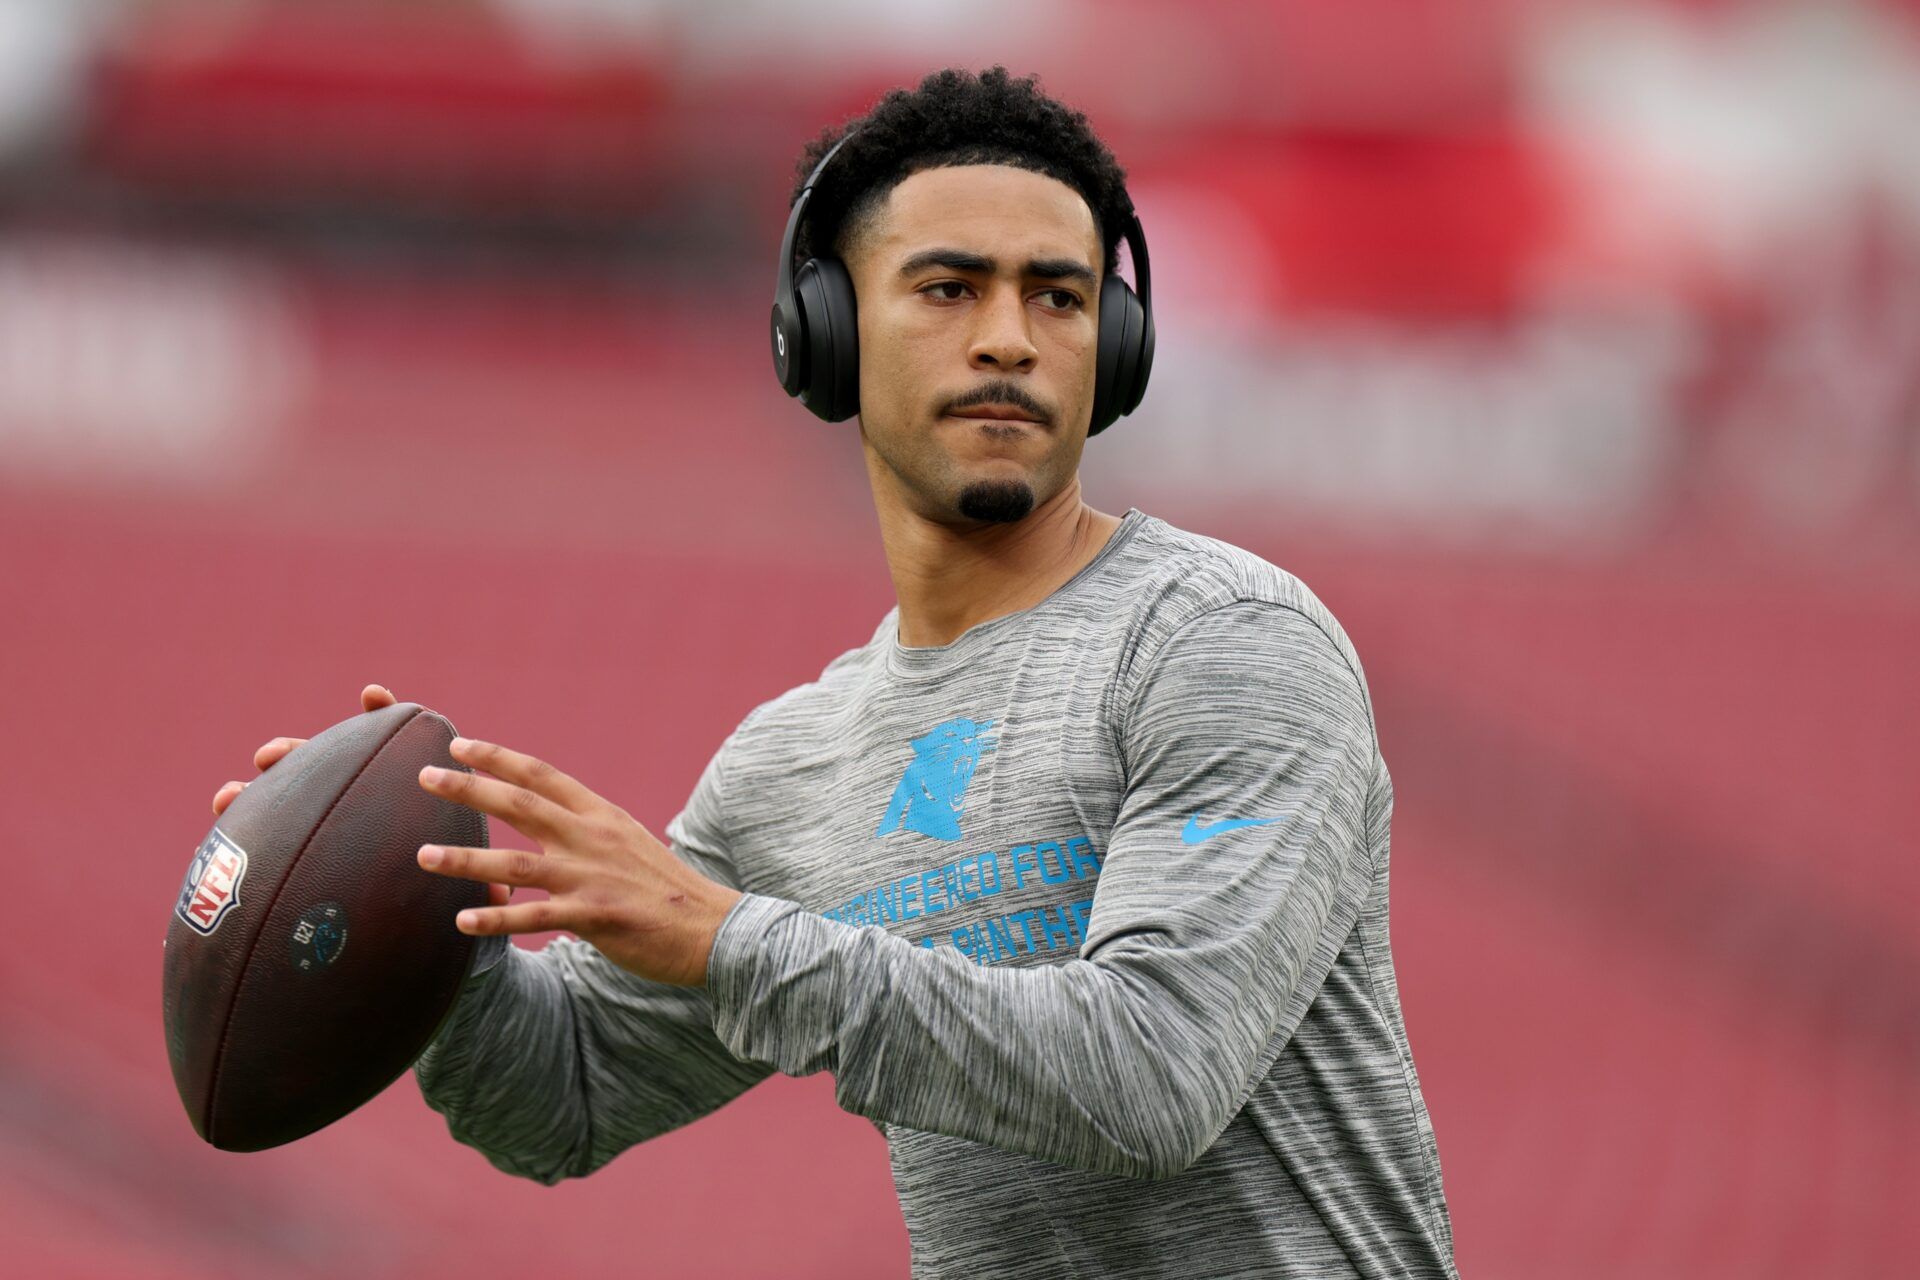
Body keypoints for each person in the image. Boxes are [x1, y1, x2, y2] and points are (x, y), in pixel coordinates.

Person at [213, 66, 1458, 1280]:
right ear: (827, 331)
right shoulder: (800, 760)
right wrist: (425, 905)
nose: (1012, 339)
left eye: (1061, 297)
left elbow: (1155, 1071)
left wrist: (733, 941)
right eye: (950, 288)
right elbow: (562, 1100)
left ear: (1116, 344)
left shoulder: (1223, 639)